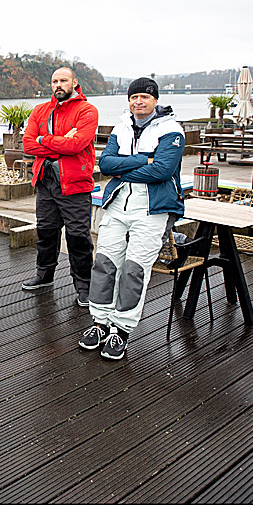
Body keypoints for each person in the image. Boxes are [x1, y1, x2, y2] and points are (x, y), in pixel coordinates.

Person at [80, 77, 185, 359]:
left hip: (153, 209)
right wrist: (143, 160)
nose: (138, 102)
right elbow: (104, 164)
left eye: (144, 97)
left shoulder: (172, 130)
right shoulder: (122, 127)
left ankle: (121, 329)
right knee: (104, 264)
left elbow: (162, 171)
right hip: (117, 205)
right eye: (133, 97)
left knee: (134, 269)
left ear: (155, 100)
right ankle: (100, 322)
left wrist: (122, 169)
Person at [21, 67, 99, 305]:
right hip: (46, 182)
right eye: (54, 81)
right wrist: (60, 142)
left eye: (63, 80)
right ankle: (44, 275)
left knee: (77, 237)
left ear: (75, 82)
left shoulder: (87, 110)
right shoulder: (40, 110)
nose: (58, 84)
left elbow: (77, 145)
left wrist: (43, 140)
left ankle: (84, 285)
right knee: (45, 231)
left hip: (75, 184)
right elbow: (27, 145)